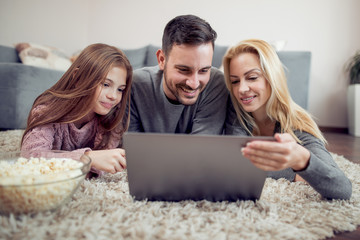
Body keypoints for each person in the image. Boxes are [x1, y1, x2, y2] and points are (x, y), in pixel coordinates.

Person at [223, 39, 352, 200]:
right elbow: (235, 164)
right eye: (235, 81)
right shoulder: (235, 111)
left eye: (252, 77)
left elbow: (342, 188)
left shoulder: (297, 123)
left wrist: (301, 159)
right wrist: (292, 173)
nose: (241, 89)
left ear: (272, 78)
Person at [21, 43, 132, 176]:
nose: (113, 96)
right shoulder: (47, 111)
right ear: (78, 77)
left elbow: (102, 168)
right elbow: (29, 159)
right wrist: (87, 158)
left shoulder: (112, 118)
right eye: (106, 84)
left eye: (120, 89)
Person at [128, 14, 229, 134]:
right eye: (184, 70)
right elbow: (132, 148)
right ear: (161, 60)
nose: (194, 84)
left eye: (204, 70)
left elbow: (201, 149)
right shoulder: (134, 85)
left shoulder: (216, 84)